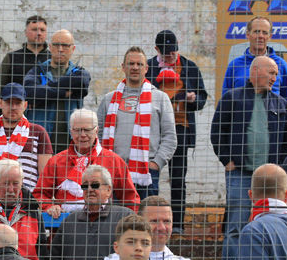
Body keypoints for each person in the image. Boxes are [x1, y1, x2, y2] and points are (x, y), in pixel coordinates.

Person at [210, 55, 287, 260]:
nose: (275, 78)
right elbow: (217, 131)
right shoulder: (232, 98)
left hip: (271, 179)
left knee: (272, 224)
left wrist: (281, 171)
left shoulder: (281, 103)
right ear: (255, 71)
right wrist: (226, 160)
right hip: (239, 173)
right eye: (271, 73)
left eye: (276, 74)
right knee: (236, 226)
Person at [146, 29, 208, 234]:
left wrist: (192, 99)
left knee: (178, 179)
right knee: (149, 177)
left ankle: (178, 224)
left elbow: (202, 99)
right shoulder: (149, 68)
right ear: (156, 50)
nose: (170, 56)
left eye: (173, 52)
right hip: (153, 132)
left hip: (181, 130)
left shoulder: (189, 67)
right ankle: (147, 221)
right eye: (165, 53)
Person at [97, 46, 177, 199]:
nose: (135, 67)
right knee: (113, 220)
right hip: (112, 172)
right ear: (123, 67)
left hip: (147, 173)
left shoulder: (160, 98)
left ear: (146, 68)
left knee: (145, 220)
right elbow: (98, 136)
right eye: (130, 63)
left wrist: (155, 164)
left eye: (139, 64)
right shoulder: (109, 99)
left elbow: (170, 138)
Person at [49, 164, 134, 260]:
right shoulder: (70, 221)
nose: (89, 190)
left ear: (108, 190)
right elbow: (55, 256)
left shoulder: (124, 218)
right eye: (85, 186)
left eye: (95, 185)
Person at [35, 108, 140, 215]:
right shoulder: (56, 161)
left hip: (103, 224)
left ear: (96, 130)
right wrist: (49, 206)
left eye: (87, 130)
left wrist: (129, 224)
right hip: (63, 225)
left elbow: (130, 198)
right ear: (71, 131)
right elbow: (40, 193)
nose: (83, 135)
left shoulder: (114, 161)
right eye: (77, 130)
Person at [23, 29, 91, 153]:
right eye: (56, 45)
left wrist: (48, 87)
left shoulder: (78, 73)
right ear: (50, 47)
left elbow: (83, 81)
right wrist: (63, 93)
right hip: (40, 143)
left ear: (73, 48)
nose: (60, 49)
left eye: (65, 45)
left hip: (70, 143)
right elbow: (29, 92)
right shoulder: (38, 71)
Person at [0, 82, 54, 190]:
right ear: (0, 103)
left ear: (25, 105)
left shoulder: (38, 132)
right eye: (9, 102)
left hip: (28, 195)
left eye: (18, 103)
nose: (13, 107)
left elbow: (45, 175)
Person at [221, 16, 287, 106]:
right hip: (242, 119)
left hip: (271, 119)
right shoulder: (235, 65)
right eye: (256, 31)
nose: (261, 36)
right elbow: (225, 101)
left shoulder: (280, 64)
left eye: (265, 32)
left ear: (270, 36)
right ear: (248, 34)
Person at [0, 14, 50, 106]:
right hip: (17, 115)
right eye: (34, 29)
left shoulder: (53, 58)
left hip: (47, 115)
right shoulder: (11, 58)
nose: (39, 33)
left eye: (42, 30)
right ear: (26, 32)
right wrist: (4, 115)